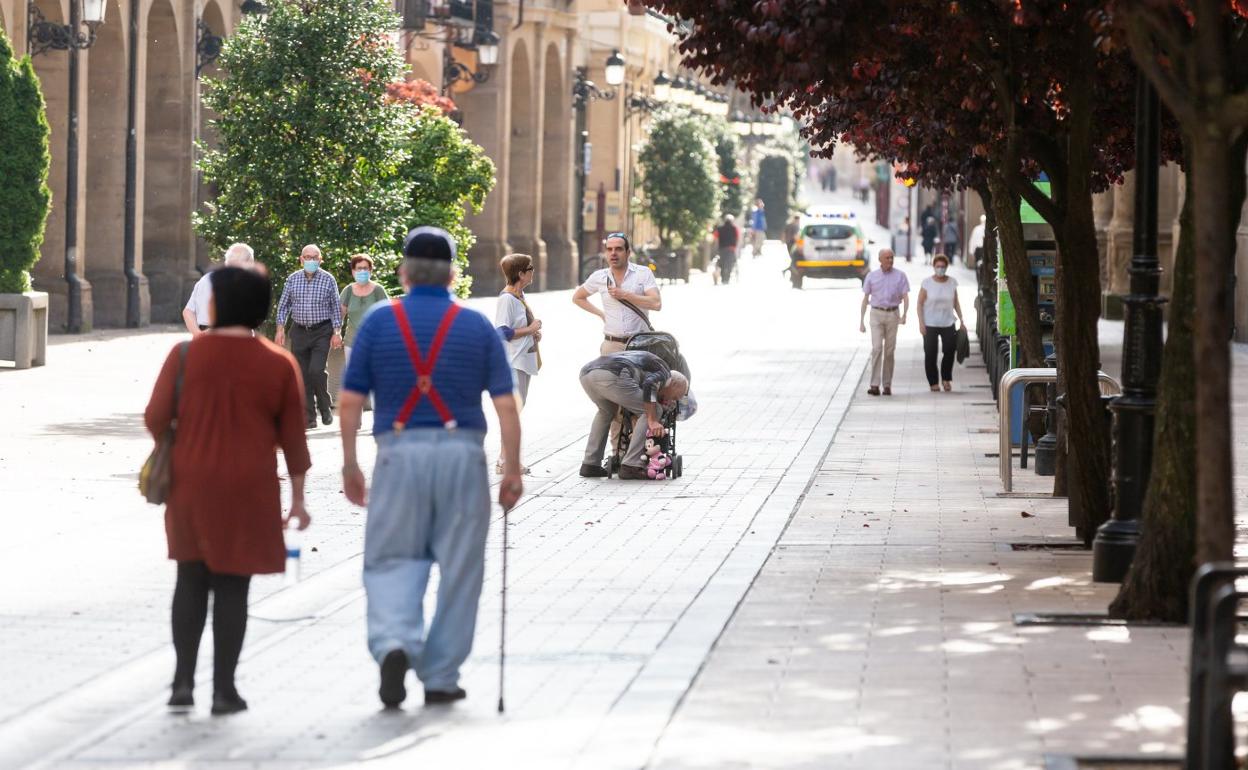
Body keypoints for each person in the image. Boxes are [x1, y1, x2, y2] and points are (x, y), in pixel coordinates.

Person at [339, 226, 522, 710]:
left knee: (392, 558)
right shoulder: (477, 326)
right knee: (461, 567)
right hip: (462, 453)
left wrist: (350, 464)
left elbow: (351, 401)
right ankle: (441, 675)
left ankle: (396, 641)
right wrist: (513, 471)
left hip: (398, 453)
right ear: (454, 274)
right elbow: (507, 405)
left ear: (403, 273)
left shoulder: (379, 322)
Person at [145, 266, 312, 716]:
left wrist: (185, 441)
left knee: (190, 578)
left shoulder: (184, 356)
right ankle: (224, 690)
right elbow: (294, 440)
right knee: (233, 586)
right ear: (260, 307)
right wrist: (297, 499)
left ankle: (182, 683)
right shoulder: (278, 363)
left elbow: (155, 417)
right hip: (250, 488)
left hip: (190, 482)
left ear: (214, 305)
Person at [578, 350, 689, 480]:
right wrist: (652, 420)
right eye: (675, 396)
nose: (670, 400)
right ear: (673, 384)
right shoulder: (665, 374)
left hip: (587, 373)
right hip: (614, 374)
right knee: (654, 410)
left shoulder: (651, 364)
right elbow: (649, 384)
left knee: (606, 412)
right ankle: (631, 465)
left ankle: (590, 464)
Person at [274, 244, 343, 429]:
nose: (310, 260)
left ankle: (324, 405)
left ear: (320, 260)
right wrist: (280, 329)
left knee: (316, 370)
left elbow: (335, 308)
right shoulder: (292, 279)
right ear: (301, 259)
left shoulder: (328, 279)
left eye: (314, 257)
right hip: (299, 331)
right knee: (302, 375)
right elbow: (283, 306)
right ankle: (309, 417)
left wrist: (337, 332)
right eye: (307, 257)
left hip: (322, 331)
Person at [573, 232, 661, 354]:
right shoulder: (599, 277)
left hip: (641, 345)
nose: (613, 253)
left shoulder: (643, 273)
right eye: (609, 249)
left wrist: (625, 295)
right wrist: (601, 314)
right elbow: (578, 297)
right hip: (611, 345)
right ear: (606, 253)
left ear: (628, 253)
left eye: (618, 249)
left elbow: (656, 303)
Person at [494, 253, 542, 474]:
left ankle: (505, 459)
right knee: (512, 414)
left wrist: (532, 335)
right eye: (530, 268)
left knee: (515, 413)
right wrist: (529, 330)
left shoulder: (519, 296)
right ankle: (506, 461)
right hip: (515, 363)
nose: (533, 271)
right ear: (521, 273)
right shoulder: (507, 299)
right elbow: (501, 331)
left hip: (524, 361)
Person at [859, 248, 910, 396]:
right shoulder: (872, 276)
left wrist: (905, 315)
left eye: (892, 257)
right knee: (876, 348)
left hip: (893, 314)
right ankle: (874, 385)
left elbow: (905, 296)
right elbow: (865, 299)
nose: (890, 260)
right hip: (876, 313)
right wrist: (861, 321)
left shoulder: (900, 276)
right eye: (887, 258)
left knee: (889, 350)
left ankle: (887, 384)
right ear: (880, 259)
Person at [181, 243, 255, 335]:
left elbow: (188, 311)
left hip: (204, 337)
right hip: (228, 338)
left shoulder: (206, 278)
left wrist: (198, 334)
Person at [917, 254, 965, 392]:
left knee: (949, 351)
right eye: (938, 266)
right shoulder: (927, 283)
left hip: (948, 322)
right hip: (930, 323)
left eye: (943, 267)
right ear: (933, 267)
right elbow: (919, 304)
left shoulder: (952, 282)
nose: (940, 269)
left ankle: (946, 379)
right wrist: (921, 322)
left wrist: (961, 319)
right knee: (930, 353)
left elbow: (956, 302)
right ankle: (933, 382)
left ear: (947, 267)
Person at [339, 254, 389, 367]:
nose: (362, 271)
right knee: (353, 375)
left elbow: (388, 315)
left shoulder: (378, 290)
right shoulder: (348, 291)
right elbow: (340, 315)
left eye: (365, 268)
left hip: (374, 341)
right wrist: (336, 333)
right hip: (352, 341)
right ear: (353, 271)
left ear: (370, 270)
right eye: (359, 268)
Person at [715, 215, 740, 285]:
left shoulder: (720, 228)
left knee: (722, 263)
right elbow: (737, 238)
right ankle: (727, 278)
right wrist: (736, 247)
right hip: (731, 249)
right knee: (730, 263)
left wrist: (717, 247)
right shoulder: (734, 228)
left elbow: (715, 237)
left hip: (722, 248)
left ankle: (723, 278)